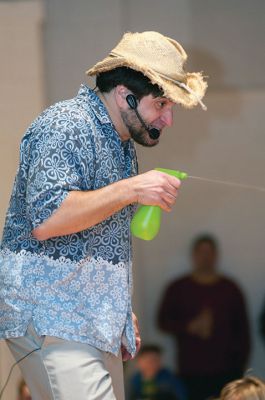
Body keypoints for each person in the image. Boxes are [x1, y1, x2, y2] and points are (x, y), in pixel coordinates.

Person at [0, 31, 207, 400]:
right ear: (125, 96)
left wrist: (117, 308)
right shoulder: (66, 124)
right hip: (53, 314)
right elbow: (47, 219)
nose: (169, 119)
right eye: (161, 104)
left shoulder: (121, 145)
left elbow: (96, 235)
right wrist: (132, 189)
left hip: (89, 320)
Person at [157, 234, 251, 400]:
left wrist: (240, 368)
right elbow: (162, 322)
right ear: (193, 255)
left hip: (227, 371)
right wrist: (189, 326)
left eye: (209, 252)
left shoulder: (230, 289)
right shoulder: (178, 288)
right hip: (190, 371)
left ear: (216, 255)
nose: (205, 257)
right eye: (201, 252)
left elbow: (243, 332)